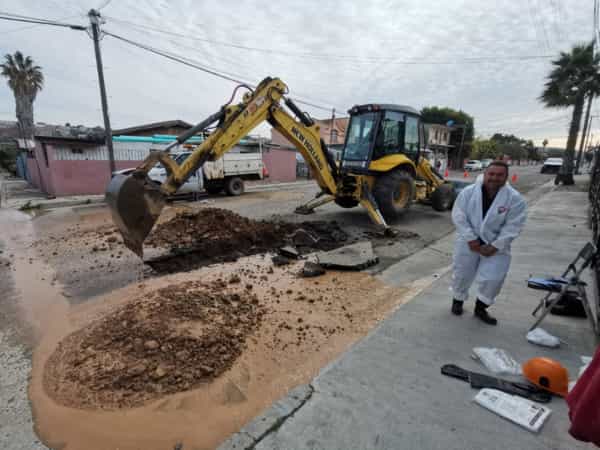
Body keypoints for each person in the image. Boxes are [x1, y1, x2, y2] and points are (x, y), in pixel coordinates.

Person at [451, 161, 527, 325]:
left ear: (506, 177)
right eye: (491, 174)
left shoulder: (514, 199)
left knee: (494, 278)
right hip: (468, 242)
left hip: (496, 245)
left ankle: (481, 308)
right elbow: (459, 216)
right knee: (462, 273)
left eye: (499, 175)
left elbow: (514, 225)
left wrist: (496, 245)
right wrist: (472, 239)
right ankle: (457, 300)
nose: (494, 178)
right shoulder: (468, 193)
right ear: (485, 174)